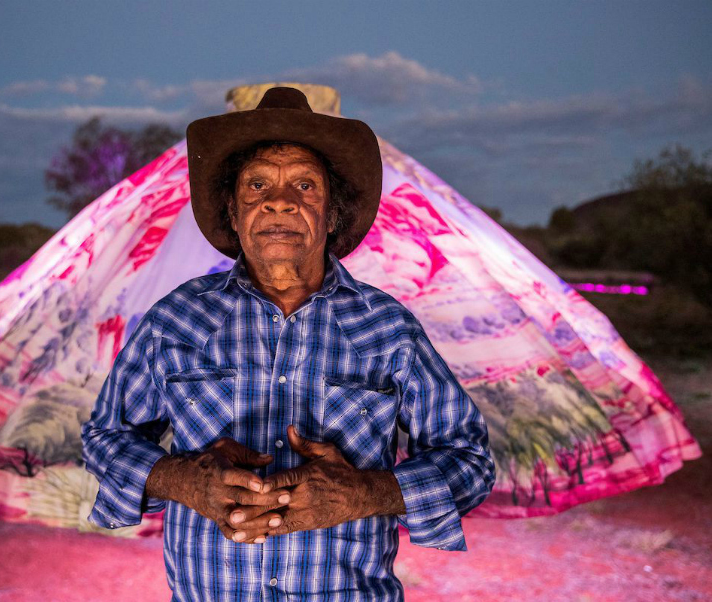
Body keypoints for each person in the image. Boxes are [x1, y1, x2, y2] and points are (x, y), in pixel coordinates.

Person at [81, 86, 496, 601]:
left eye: (305, 185)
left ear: (333, 216)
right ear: (233, 214)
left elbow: (470, 461)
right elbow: (104, 439)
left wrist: (366, 493)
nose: (280, 201)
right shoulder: (177, 320)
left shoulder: (389, 329)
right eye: (257, 186)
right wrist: (182, 480)